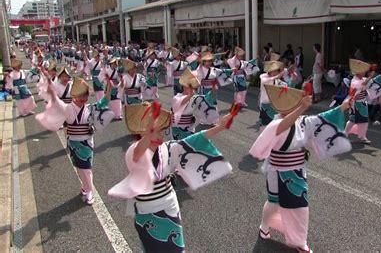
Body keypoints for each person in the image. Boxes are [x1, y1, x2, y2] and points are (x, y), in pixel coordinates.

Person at [108, 102, 235, 252]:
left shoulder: (167, 148)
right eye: (152, 131)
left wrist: (219, 127)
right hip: (147, 211)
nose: (158, 135)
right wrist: (148, 135)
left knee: (177, 248)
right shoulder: (133, 150)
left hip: (169, 206)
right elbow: (137, 155)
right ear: (142, 131)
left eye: (161, 130)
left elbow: (193, 140)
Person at [250, 84, 352, 253]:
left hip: (296, 171)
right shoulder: (275, 124)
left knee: (300, 206)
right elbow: (282, 126)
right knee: (274, 202)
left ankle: (298, 241)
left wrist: (342, 107)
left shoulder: (302, 121)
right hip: (277, 171)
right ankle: (264, 226)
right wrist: (301, 108)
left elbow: (322, 118)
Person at [36, 77, 115, 205]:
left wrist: (109, 88)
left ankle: (89, 191)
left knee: (87, 168)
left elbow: (104, 102)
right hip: (73, 143)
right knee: (79, 168)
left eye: (85, 96)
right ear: (74, 96)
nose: (83, 99)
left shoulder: (90, 108)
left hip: (87, 143)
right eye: (80, 96)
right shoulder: (67, 108)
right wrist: (50, 91)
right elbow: (55, 102)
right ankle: (85, 186)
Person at [171, 68, 219, 140]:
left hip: (189, 128)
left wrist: (213, 91)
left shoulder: (195, 98)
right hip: (177, 129)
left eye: (195, 88)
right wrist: (190, 95)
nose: (194, 90)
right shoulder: (177, 97)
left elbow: (205, 99)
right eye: (191, 87)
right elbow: (180, 102)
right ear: (184, 87)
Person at [258, 60, 285, 129]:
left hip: (274, 105)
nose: (276, 73)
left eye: (277, 71)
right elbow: (265, 81)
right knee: (265, 125)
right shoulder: (264, 76)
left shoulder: (276, 80)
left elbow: (284, 86)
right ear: (270, 71)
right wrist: (277, 76)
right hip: (265, 104)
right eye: (275, 71)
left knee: (273, 124)